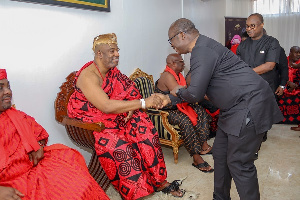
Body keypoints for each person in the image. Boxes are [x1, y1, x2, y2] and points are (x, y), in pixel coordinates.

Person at [155, 18, 283, 200]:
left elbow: (195, 94)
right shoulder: (202, 47)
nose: (172, 45)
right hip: (231, 109)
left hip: (248, 105)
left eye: (171, 40)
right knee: (221, 156)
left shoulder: (202, 50)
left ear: (182, 35)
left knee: (239, 162)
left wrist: (168, 98)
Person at [67, 33, 185, 199]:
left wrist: (130, 106)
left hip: (116, 115)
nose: (117, 54)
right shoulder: (88, 76)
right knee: (119, 144)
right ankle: (136, 191)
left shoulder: (113, 71)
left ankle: (158, 180)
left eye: (118, 50)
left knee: (144, 128)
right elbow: (106, 106)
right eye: (112, 51)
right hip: (93, 122)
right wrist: (143, 103)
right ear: (99, 54)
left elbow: (128, 91)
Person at [0, 69, 109, 200]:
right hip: (12, 182)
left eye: (8, 86)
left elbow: (36, 131)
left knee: (79, 181)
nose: (8, 91)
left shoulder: (15, 114)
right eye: (1, 88)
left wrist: (38, 145)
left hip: (35, 167)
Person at [155, 53, 213, 173]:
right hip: (167, 110)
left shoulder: (179, 75)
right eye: (181, 61)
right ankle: (196, 157)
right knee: (185, 121)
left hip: (179, 105)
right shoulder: (167, 76)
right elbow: (180, 93)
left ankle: (203, 145)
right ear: (173, 63)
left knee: (201, 111)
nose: (184, 63)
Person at [237, 13, 282, 143]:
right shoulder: (243, 45)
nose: (249, 29)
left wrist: (247, 73)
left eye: (253, 26)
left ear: (261, 25)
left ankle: (259, 139)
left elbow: (269, 65)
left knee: (262, 119)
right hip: (246, 87)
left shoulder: (272, 42)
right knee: (247, 116)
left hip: (265, 86)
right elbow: (238, 66)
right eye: (247, 26)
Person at [279, 46, 300, 130]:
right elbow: (278, 74)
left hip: (297, 88)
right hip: (284, 87)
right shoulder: (284, 62)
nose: (298, 54)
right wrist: (287, 83)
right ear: (290, 53)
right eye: (296, 52)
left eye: (299, 53)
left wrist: (295, 85)